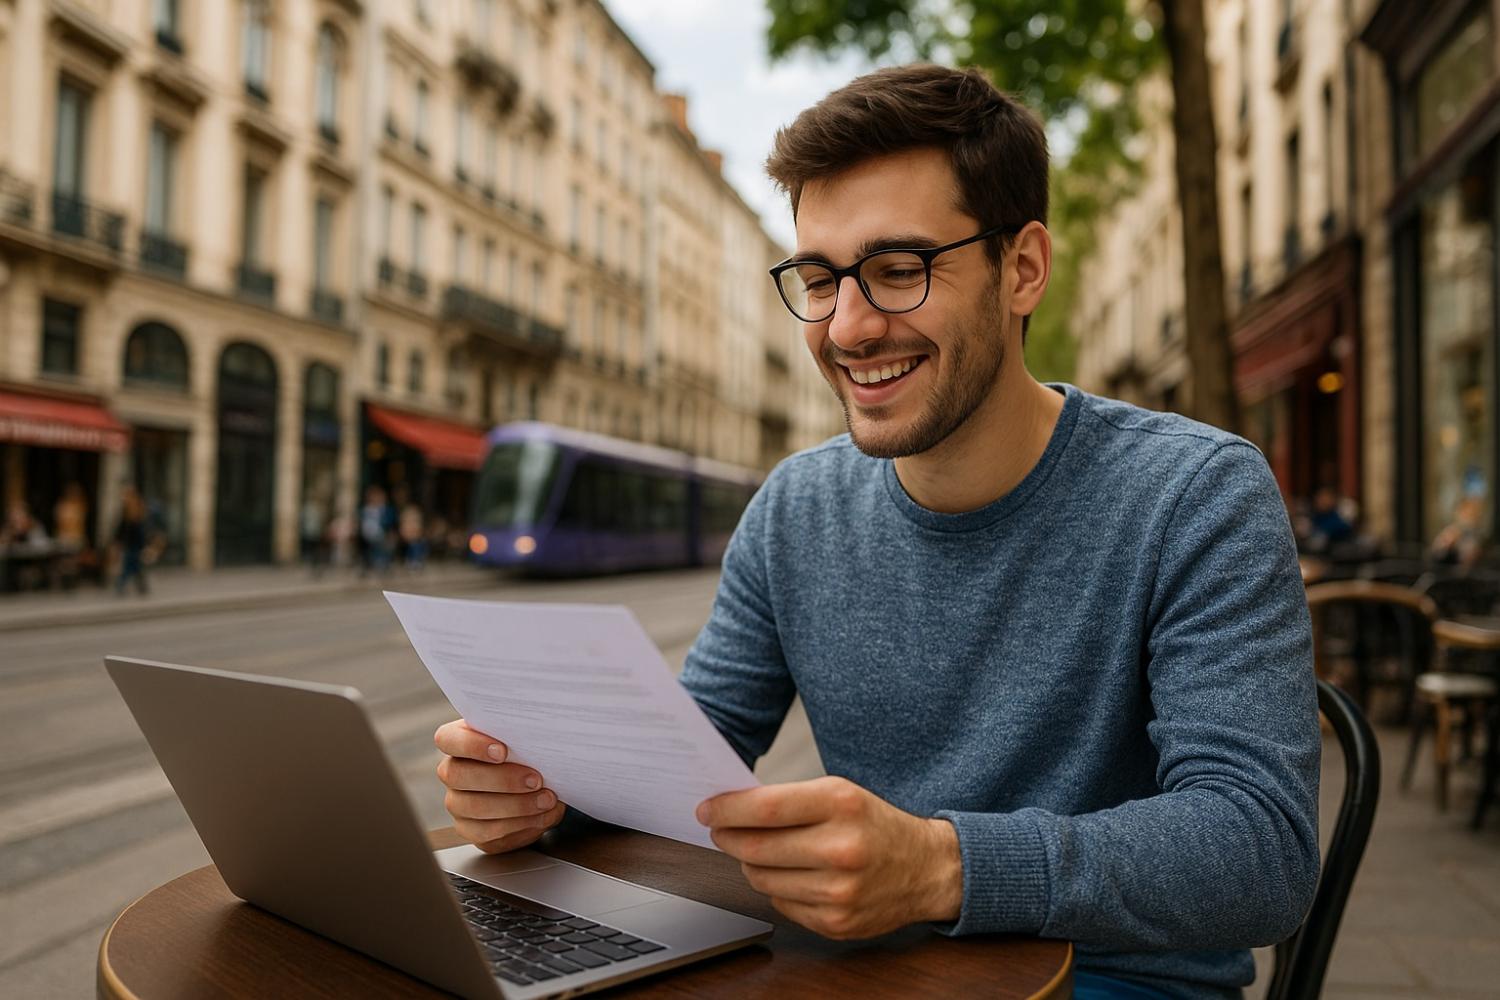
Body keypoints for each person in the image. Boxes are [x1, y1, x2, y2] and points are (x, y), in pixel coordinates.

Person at [433, 65, 1319, 999]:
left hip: (1115, 983)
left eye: (898, 271)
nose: (848, 328)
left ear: (1022, 270)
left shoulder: (1197, 493)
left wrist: (941, 866)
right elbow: (681, 760)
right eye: (819, 278)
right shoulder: (794, 508)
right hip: (866, 973)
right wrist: (542, 794)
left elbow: (1259, 850)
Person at [113, 485, 151, 596]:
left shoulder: (137, 511)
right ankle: (141, 587)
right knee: (134, 567)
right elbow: (121, 528)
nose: (124, 498)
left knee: (129, 567)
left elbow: (141, 530)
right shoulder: (128, 511)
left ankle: (122, 585)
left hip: (135, 544)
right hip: (131, 544)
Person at [1430, 494, 1486, 570]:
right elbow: (1435, 555)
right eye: (1466, 512)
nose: (1468, 516)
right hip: (1444, 572)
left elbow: (1471, 559)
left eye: (1472, 513)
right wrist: (1446, 545)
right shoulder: (1450, 531)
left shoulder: (1477, 535)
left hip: (1467, 575)